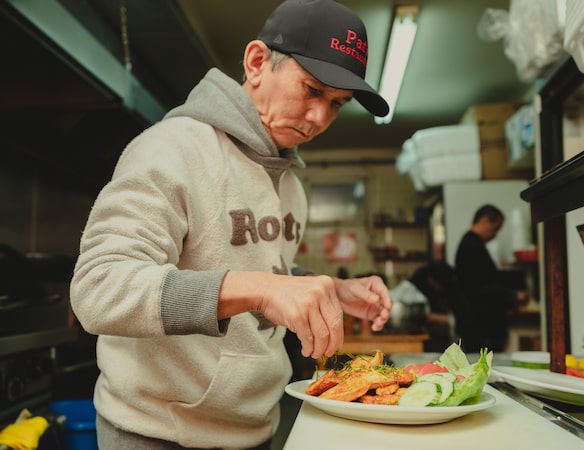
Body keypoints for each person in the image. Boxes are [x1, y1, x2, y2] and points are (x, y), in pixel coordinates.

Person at [69, 1, 391, 449]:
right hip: (157, 434)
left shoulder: (291, 185)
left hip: (257, 428)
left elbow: (254, 270)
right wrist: (261, 289)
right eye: (312, 90)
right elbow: (99, 288)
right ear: (257, 62)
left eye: (337, 104)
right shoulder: (171, 150)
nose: (322, 119)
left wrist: (328, 289)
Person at [454, 204, 528, 353]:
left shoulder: (473, 244)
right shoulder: (471, 246)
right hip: (478, 323)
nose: (495, 235)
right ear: (485, 221)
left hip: (477, 322)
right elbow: (478, 287)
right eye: (495, 229)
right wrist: (512, 296)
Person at [388, 261, 458, 352]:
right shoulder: (411, 290)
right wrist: (448, 319)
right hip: (407, 336)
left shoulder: (431, 291)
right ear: (431, 280)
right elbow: (421, 315)